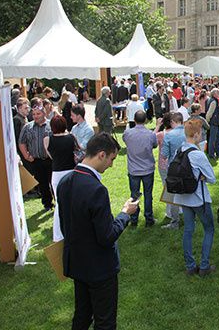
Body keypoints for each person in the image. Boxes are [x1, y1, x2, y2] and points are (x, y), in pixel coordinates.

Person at [58, 133, 139, 330]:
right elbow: (107, 236)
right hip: (99, 268)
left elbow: (65, 225)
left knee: (82, 315)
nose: (111, 165)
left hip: (77, 262)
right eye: (111, 159)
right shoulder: (96, 190)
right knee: (105, 321)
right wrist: (124, 214)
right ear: (101, 155)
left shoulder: (65, 181)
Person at [173, 119, 217, 276]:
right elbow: (212, 178)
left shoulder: (179, 150)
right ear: (197, 134)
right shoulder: (198, 154)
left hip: (183, 198)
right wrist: (203, 176)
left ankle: (190, 265)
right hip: (199, 197)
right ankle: (204, 266)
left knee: (188, 230)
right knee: (209, 229)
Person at [44, 115, 78, 242]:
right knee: (72, 202)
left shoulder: (48, 139)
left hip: (57, 173)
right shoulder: (71, 137)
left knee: (59, 203)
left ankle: (58, 235)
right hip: (70, 171)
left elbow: (50, 155)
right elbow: (78, 150)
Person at [123, 110, 158, 227]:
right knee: (148, 195)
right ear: (146, 120)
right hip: (147, 168)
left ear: (135, 119)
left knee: (134, 195)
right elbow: (154, 145)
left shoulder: (128, 133)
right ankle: (149, 219)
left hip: (134, 169)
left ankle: (134, 219)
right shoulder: (150, 134)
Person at [19, 105, 54, 210]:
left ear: (44, 113)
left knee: (53, 182)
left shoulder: (51, 125)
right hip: (36, 160)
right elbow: (22, 142)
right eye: (33, 114)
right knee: (42, 184)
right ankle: (47, 204)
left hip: (50, 160)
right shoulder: (27, 127)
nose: (35, 116)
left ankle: (59, 202)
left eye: (38, 113)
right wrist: (26, 155)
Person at [160, 113, 185, 229]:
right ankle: (190, 219)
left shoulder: (169, 136)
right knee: (187, 194)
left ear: (173, 122)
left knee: (173, 196)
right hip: (187, 168)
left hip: (173, 169)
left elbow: (164, 156)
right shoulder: (188, 133)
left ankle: (175, 222)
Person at [206, 88, 219, 160]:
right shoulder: (213, 102)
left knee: (217, 138)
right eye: (217, 93)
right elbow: (209, 113)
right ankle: (211, 154)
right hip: (214, 123)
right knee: (213, 139)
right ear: (214, 94)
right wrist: (208, 121)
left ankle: (218, 153)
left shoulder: (211, 100)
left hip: (216, 122)